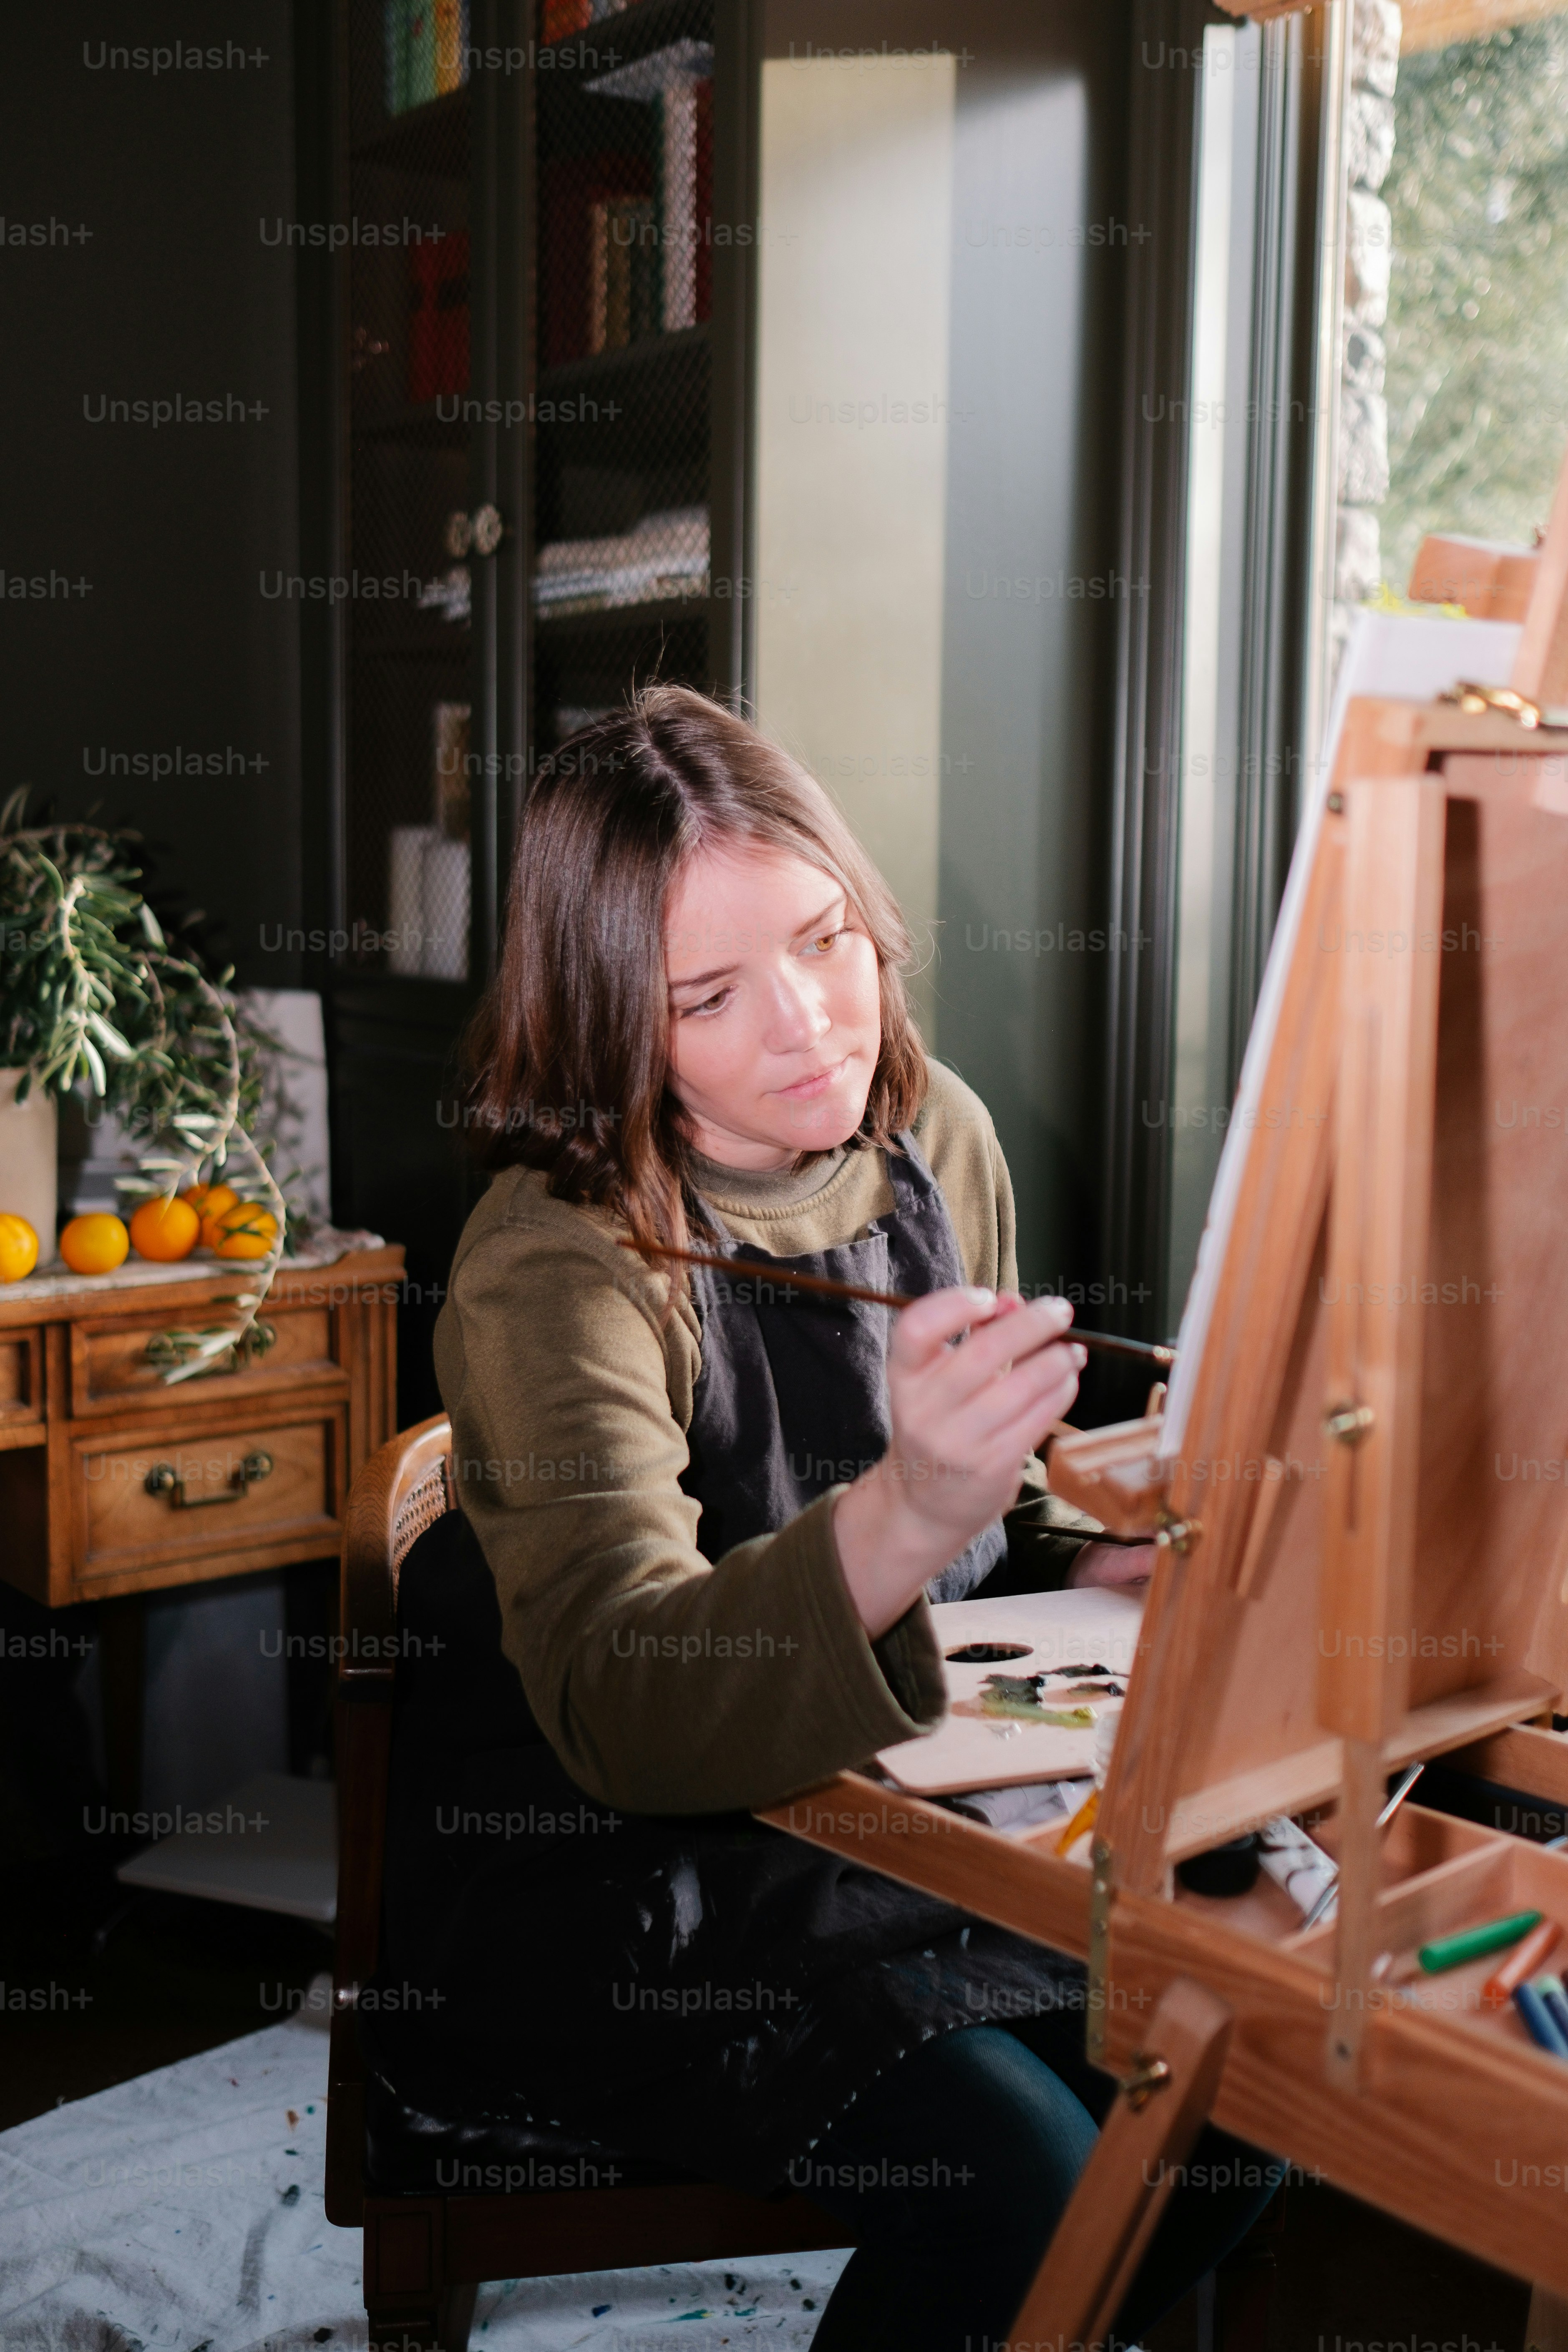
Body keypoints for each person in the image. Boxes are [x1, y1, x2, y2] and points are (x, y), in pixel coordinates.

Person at [360, 685, 1276, 2351]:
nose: (808, 1027)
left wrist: (1099, 1549)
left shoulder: (942, 1142)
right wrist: (915, 1504)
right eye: (708, 996)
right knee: (1026, 2183)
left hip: (927, 1823)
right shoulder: (551, 1258)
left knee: (1249, 2079)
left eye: (828, 941)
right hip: (637, 1884)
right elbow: (622, 1711)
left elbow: (1001, 1521)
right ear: (604, 1020)